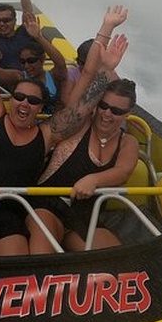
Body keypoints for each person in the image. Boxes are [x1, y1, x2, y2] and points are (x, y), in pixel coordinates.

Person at [0, 1, 128, 257]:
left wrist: (106, 65)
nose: (25, 103)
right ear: (11, 99)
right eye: (19, 97)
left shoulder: (48, 134)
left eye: (33, 100)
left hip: (8, 209)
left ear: (40, 108)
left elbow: (83, 105)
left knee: (15, 263)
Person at [27, 79, 139, 253]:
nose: (107, 114)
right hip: (47, 205)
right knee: (42, 254)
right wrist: (105, 68)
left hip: (86, 217)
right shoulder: (79, 125)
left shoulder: (128, 142)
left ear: (127, 114)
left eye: (116, 111)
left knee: (119, 265)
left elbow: (123, 172)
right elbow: (73, 106)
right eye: (103, 106)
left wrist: (93, 179)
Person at [0, 12, 68, 113]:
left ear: (42, 59)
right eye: (22, 62)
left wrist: (38, 37)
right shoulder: (20, 76)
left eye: (31, 61)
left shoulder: (53, 76)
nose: (26, 65)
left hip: (51, 124)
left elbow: (60, 63)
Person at [62, 5, 128, 105]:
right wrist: (107, 26)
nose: (91, 66)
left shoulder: (108, 73)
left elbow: (119, 90)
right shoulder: (72, 74)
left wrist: (107, 69)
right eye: (83, 63)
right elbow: (66, 101)